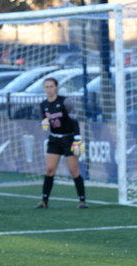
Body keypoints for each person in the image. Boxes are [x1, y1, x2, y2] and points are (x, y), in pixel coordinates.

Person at [35, 77, 87, 209]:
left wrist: (77, 138)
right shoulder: (43, 105)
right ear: (44, 89)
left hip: (68, 138)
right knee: (49, 170)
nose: (49, 89)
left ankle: (82, 200)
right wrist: (44, 124)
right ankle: (44, 201)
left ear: (56, 87)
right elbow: (44, 121)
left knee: (73, 170)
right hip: (54, 139)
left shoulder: (65, 101)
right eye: (47, 87)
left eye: (51, 86)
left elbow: (74, 120)